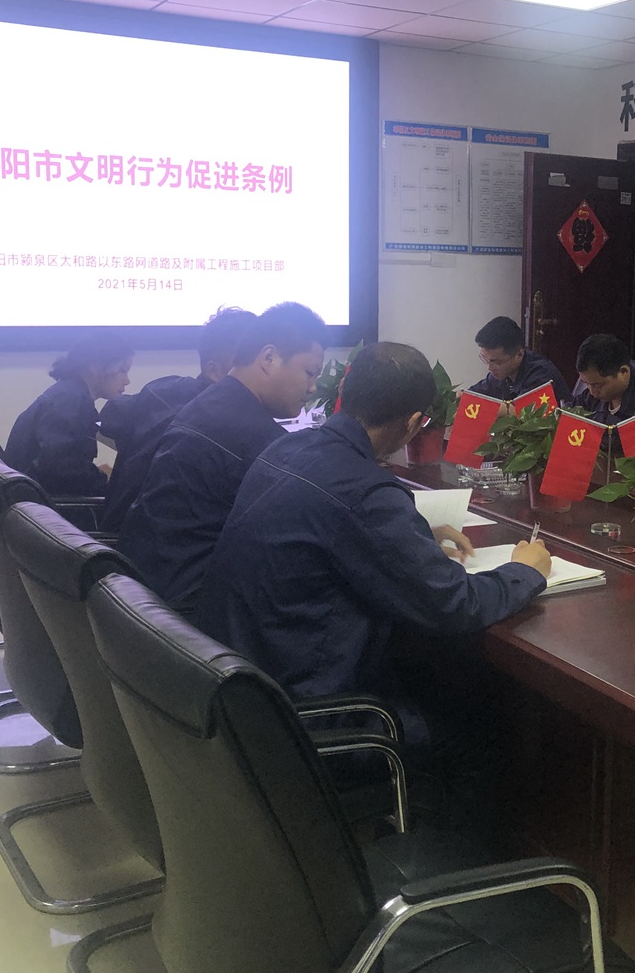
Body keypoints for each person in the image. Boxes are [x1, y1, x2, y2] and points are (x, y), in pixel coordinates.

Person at [194, 341, 552, 827]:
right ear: (414, 423)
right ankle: (446, 866)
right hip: (310, 715)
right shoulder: (367, 493)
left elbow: (329, 530)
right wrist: (526, 570)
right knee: (479, 726)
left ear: (347, 389)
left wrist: (412, 536)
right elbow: (457, 605)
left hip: (246, 687)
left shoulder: (289, 447)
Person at [116, 302, 326, 613]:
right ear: (269, 358)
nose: (312, 387)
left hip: (148, 592)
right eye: (309, 373)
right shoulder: (258, 440)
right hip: (193, 609)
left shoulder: (206, 405)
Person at [97, 306, 256, 532]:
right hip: (156, 544)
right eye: (260, 361)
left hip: (118, 534)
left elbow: (112, 414)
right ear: (215, 371)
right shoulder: (223, 425)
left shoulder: (161, 390)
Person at [5, 330, 132, 498]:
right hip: (48, 504)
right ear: (94, 366)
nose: (127, 381)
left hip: (32, 499)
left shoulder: (68, 396)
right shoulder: (72, 403)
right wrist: (105, 481)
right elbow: (62, 471)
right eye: (122, 370)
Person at [469, 315, 567, 406]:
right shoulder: (500, 373)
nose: (490, 368)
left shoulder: (541, 374)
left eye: (497, 362)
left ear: (519, 355)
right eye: (485, 359)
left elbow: (519, 412)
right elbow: (474, 394)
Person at [571, 333, 635, 426]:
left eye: (598, 385)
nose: (593, 392)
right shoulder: (588, 398)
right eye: (586, 383)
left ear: (623, 371)